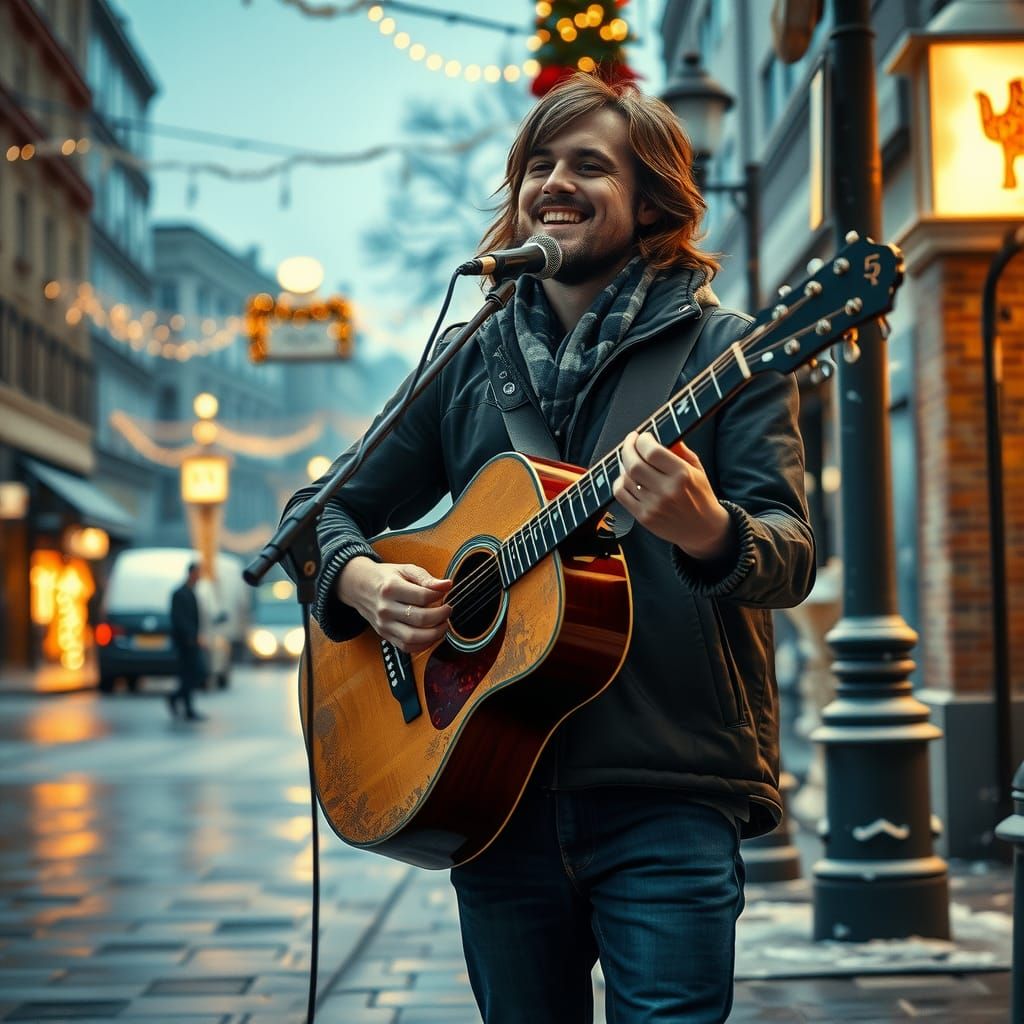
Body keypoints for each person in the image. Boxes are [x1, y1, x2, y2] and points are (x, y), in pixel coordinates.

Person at [285, 74, 815, 1023]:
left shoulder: (726, 352)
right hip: (494, 795)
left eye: (588, 165)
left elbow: (788, 554)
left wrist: (707, 527)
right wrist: (361, 581)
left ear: (652, 199)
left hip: (668, 785)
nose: (554, 182)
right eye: (538, 164)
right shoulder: (468, 359)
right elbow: (315, 515)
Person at [168, 561, 206, 721]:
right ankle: (184, 705)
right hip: (185, 642)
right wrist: (191, 636)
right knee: (190, 673)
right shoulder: (179, 593)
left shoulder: (191, 592)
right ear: (191, 573)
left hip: (192, 640)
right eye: (197, 573)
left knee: (194, 674)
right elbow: (179, 619)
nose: (199, 577)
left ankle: (179, 700)